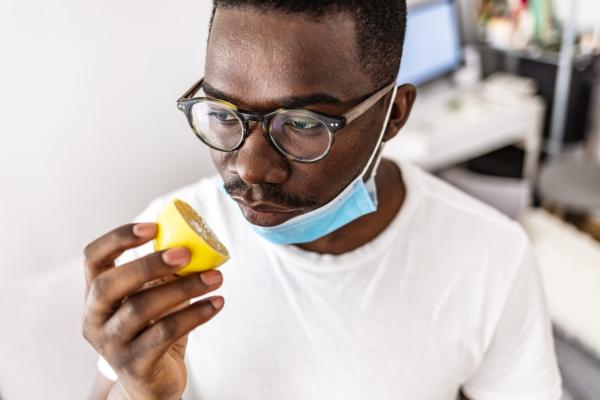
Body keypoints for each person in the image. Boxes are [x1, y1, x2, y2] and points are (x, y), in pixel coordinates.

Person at [82, 1, 562, 399]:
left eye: (303, 124)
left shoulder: (492, 258)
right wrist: (144, 392)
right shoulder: (165, 252)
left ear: (393, 116)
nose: (249, 169)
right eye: (223, 113)